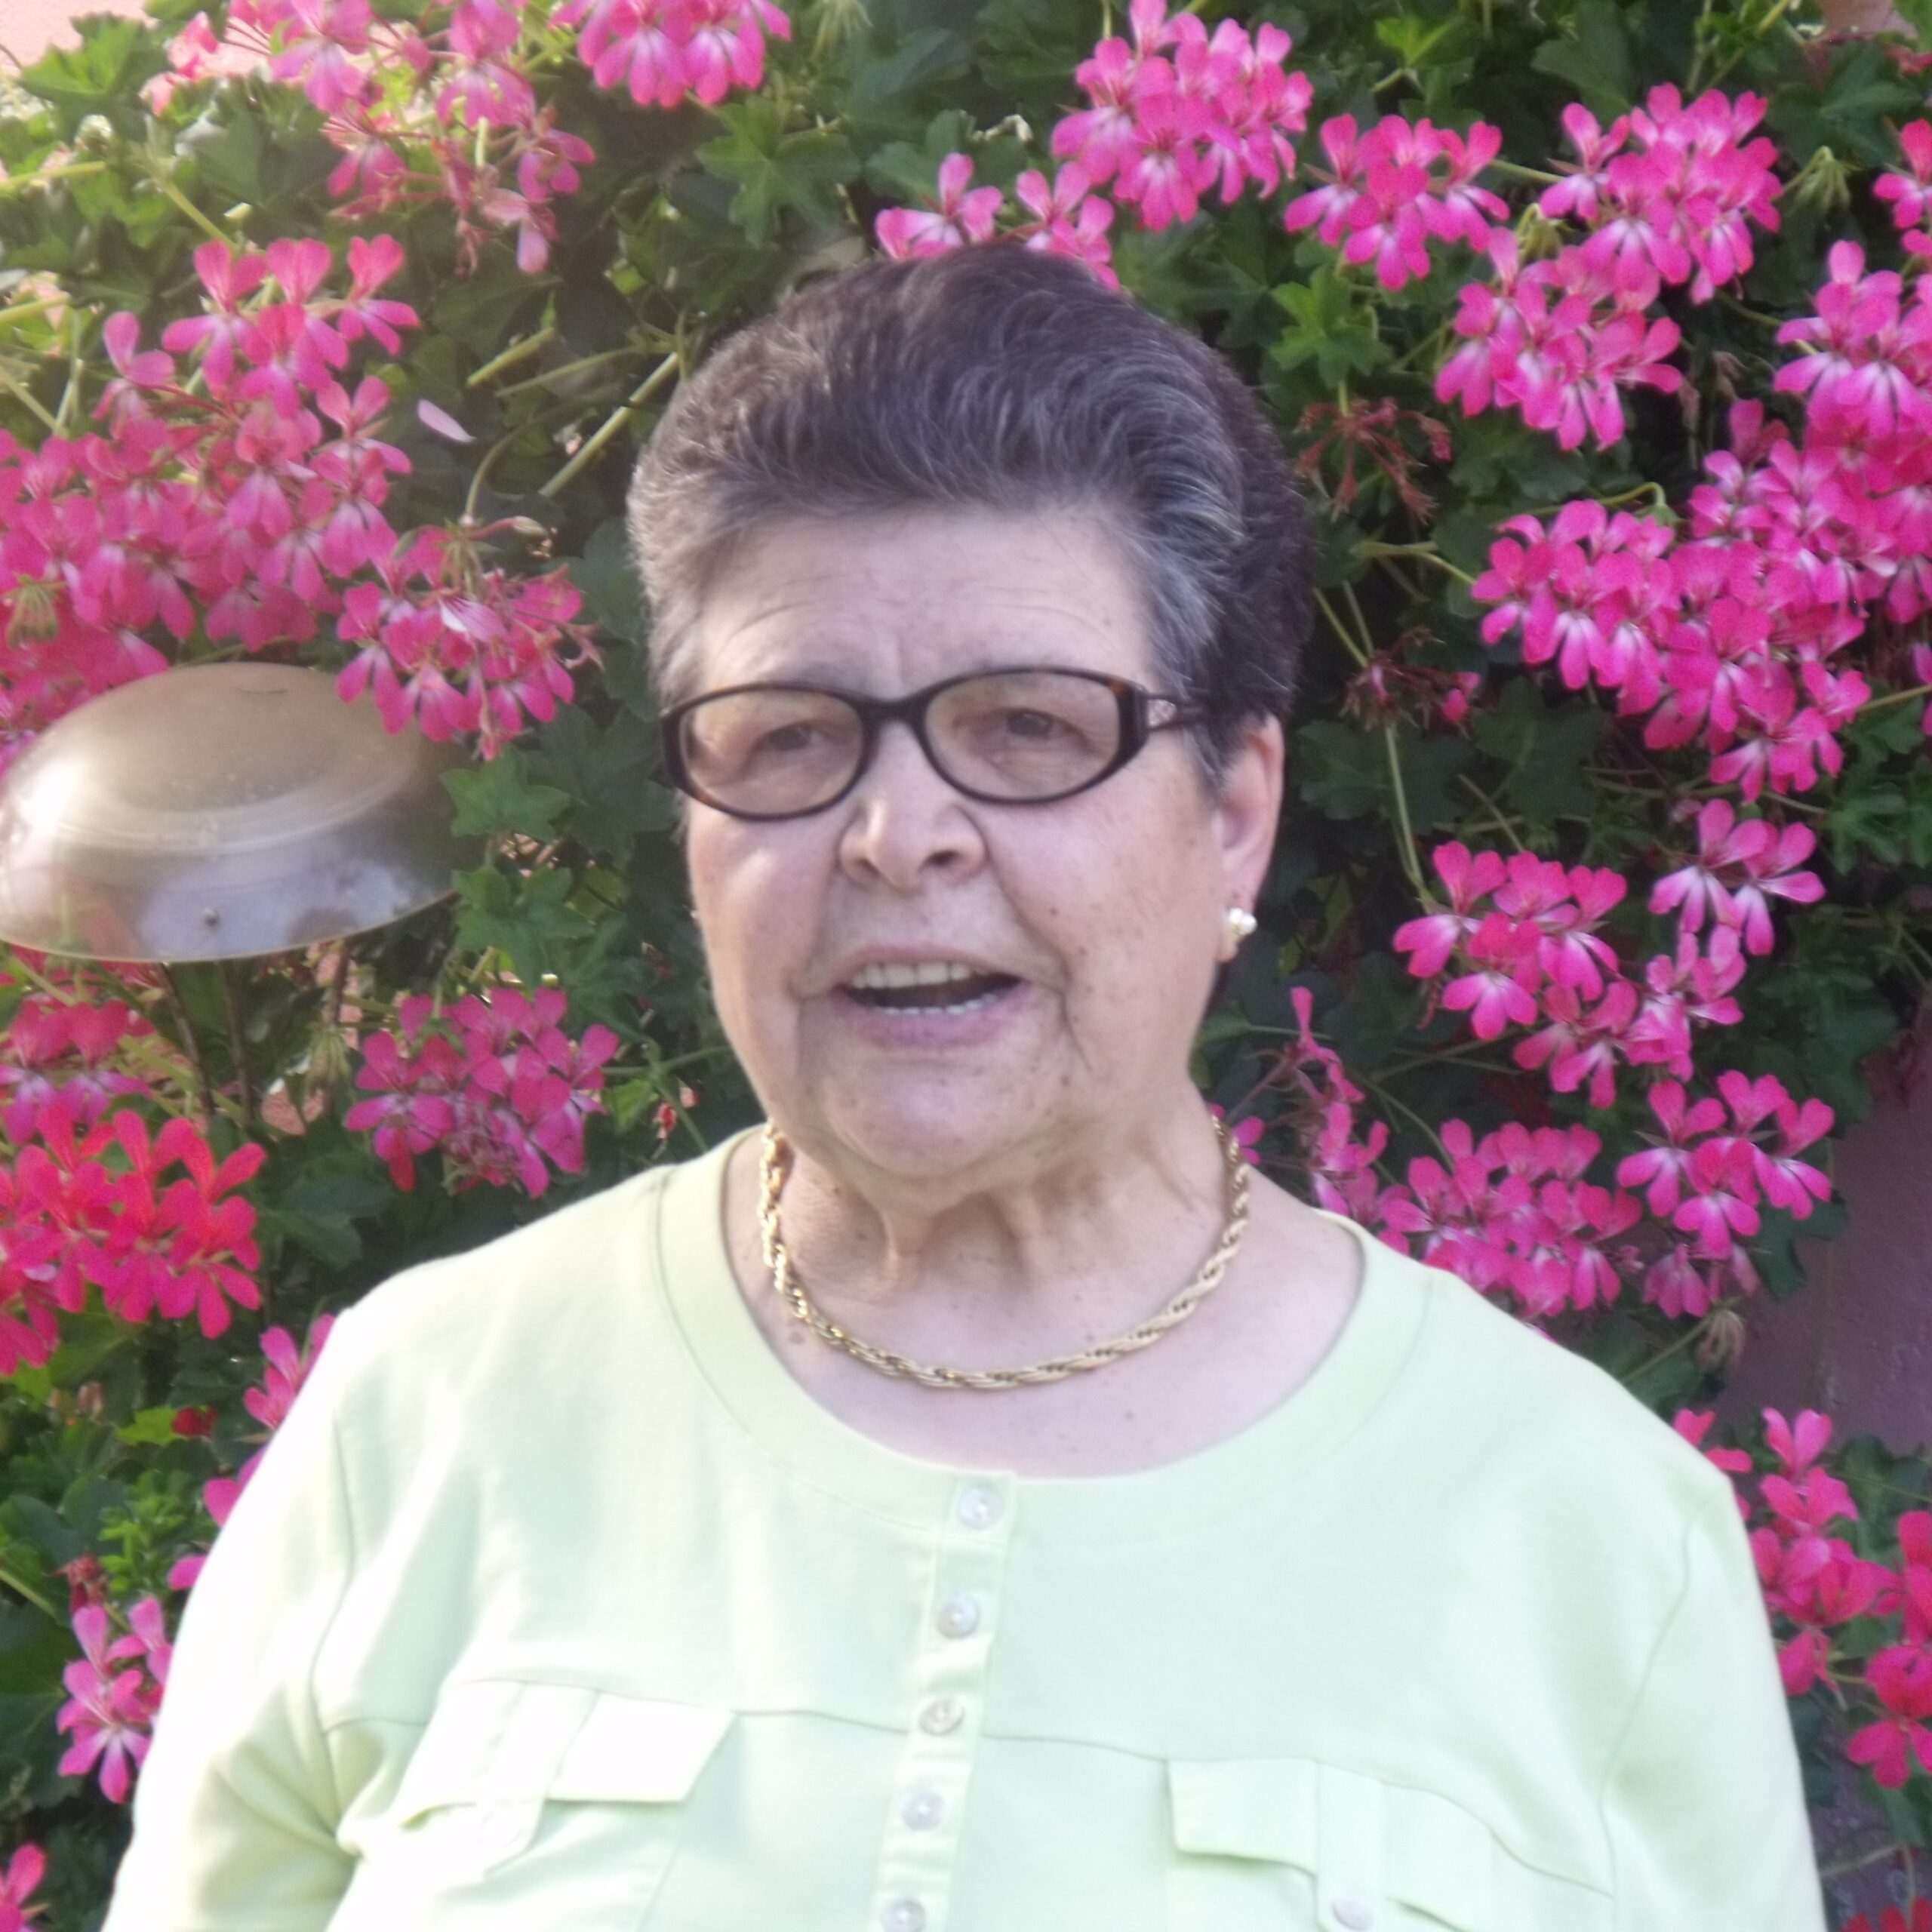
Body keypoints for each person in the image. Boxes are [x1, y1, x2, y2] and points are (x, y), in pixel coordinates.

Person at [105, 239, 1826, 1931]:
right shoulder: (433, 1407)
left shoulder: (1593, 1537)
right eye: (789, 734)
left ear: (1232, 810)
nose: (896, 832)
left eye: (1028, 727)